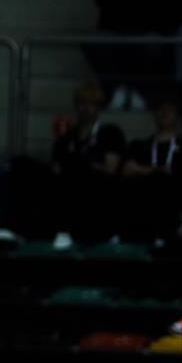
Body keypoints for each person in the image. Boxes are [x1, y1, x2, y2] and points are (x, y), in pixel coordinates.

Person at [51, 83, 127, 248]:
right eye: (82, 103)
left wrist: (85, 166)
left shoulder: (110, 133)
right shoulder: (66, 137)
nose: (86, 108)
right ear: (75, 106)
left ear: (98, 107)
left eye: (91, 104)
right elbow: (56, 170)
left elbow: (110, 170)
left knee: (82, 170)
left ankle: (105, 231)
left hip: (98, 189)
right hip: (69, 186)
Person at [120, 99, 182, 243]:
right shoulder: (139, 145)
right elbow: (127, 170)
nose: (164, 112)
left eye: (169, 109)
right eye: (160, 108)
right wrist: (157, 170)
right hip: (142, 210)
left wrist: (141, 170)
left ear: (178, 116)